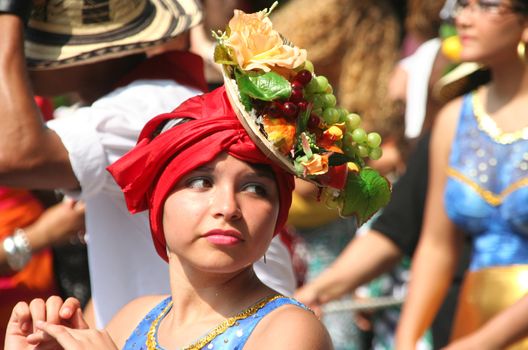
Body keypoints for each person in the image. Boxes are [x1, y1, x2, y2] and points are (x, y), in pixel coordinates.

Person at [0, 0, 298, 329]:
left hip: (237, 329)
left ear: (94, 54)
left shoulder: (145, 104)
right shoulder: (142, 102)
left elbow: (14, 155)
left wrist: (7, 15)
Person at [4, 86, 335, 350]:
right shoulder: (133, 318)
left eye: (255, 188)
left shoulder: (287, 331)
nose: (228, 206)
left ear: (278, 212)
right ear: (158, 203)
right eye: (200, 182)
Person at [395, 0, 528, 348]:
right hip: (468, 325)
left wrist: (485, 342)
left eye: (486, 5)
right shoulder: (454, 118)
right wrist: (406, 340)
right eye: (462, 5)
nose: (464, 18)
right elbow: (437, 246)